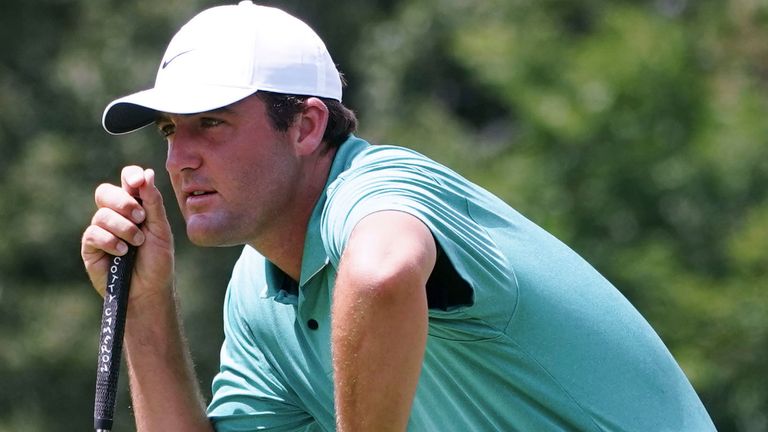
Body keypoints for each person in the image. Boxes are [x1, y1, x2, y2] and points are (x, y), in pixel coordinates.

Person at [81, 2, 716, 431]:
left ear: (307, 125)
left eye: (212, 124)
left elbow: (382, 274)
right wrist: (142, 306)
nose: (179, 158)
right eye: (170, 129)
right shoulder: (258, 289)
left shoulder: (380, 186)